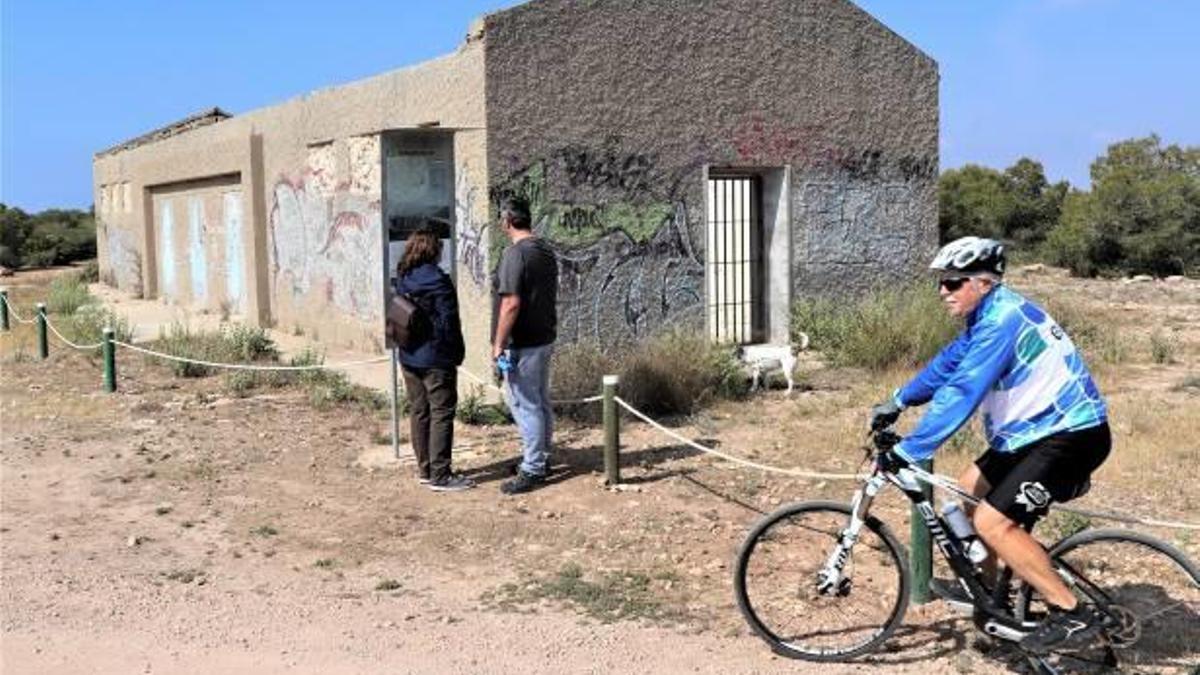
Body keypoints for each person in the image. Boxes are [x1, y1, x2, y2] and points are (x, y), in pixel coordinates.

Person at [868, 236, 1112, 654]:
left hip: (1071, 435)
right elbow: (948, 364)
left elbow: (963, 389)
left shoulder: (1002, 320)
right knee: (965, 491)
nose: (942, 292)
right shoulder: (986, 317)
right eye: (941, 283)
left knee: (991, 523)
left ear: (983, 282)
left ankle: (1071, 613)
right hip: (1032, 434)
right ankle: (991, 602)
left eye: (952, 283)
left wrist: (911, 448)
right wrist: (899, 399)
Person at [394, 228, 473, 492]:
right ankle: (441, 475)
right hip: (436, 357)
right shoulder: (439, 280)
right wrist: (457, 352)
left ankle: (426, 469)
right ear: (433, 250)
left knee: (420, 411)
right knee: (442, 412)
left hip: (408, 354)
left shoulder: (404, 276)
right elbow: (450, 322)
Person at [491, 196, 558, 495]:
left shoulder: (515, 255)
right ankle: (540, 458)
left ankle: (532, 468)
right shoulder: (544, 250)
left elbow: (510, 303)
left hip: (524, 343)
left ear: (506, 221)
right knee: (540, 402)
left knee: (523, 403)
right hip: (544, 337)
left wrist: (498, 344)